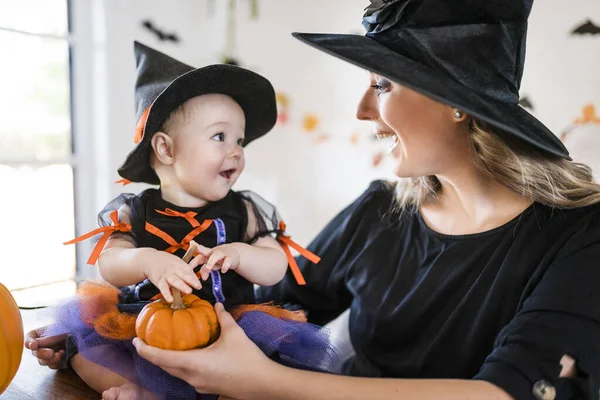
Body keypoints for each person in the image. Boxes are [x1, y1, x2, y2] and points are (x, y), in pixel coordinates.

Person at [28, 1, 600, 399]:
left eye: (381, 84)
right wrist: (114, 330)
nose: (362, 110)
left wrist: (265, 384)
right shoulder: (380, 211)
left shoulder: (582, 234)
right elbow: (269, 301)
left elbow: (506, 393)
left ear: (457, 102)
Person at [26, 41, 336, 400]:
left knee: (263, 374)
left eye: (240, 140)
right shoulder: (136, 209)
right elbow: (109, 263)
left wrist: (241, 254)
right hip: (145, 326)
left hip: (226, 332)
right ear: (166, 149)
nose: (236, 149)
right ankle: (137, 390)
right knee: (85, 349)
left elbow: (275, 265)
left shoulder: (245, 209)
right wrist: (146, 259)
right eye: (220, 136)